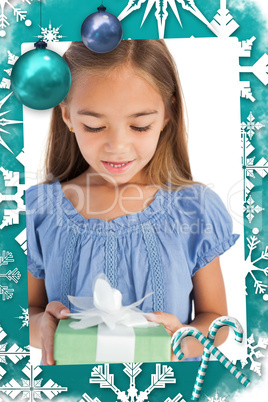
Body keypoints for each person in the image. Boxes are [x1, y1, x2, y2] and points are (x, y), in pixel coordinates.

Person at [27, 40, 239, 366]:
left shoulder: (194, 208)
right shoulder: (37, 211)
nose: (118, 146)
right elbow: (24, 312)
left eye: (139, 125)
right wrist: (40, 326)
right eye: (94, 126)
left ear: (167, 113)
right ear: (67, 115)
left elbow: (216, 320)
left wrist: (183, 341)